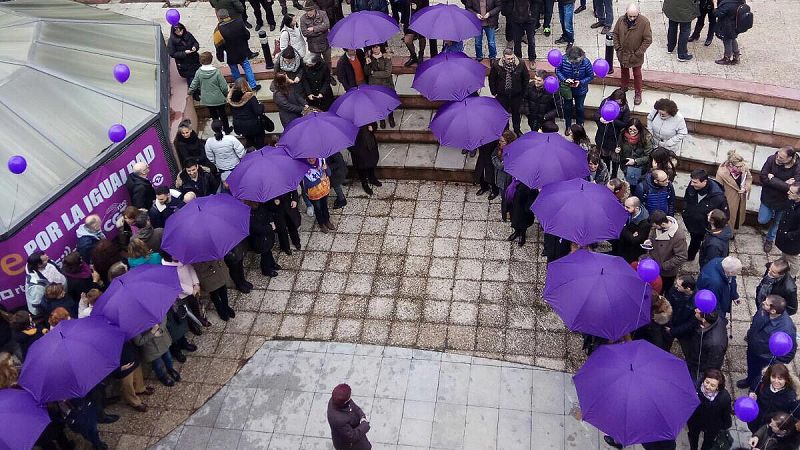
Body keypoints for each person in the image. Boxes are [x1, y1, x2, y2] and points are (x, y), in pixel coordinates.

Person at [738, 294, 797, 391]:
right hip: (754, 349)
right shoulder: (764, 310)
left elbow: (789, 352)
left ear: (773, 311)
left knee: (761, 377)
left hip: (766, 358)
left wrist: (774, 363)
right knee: (752, 368)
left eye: (766, 303)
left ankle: (755, 390)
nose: (762, 303)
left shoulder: (787, 329)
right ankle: (749, 380)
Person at [160, 252, 202, 360]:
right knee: (173, 327)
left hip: (189, 291)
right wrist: (191, 290)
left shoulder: (180, 258)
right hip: (177, 298)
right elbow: (177, 284)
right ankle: (176, 350)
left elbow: (190, 268)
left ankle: (184, 342)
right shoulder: (166, 268)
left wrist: (196, 284)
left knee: (183, 319)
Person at [683, 169, 729, 262]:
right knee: (694, 241)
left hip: (707, 228)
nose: (692, 184)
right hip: (693, 223)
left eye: (695, 182)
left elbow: (725, 216)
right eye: (692, 181)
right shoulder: (692, 186)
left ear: (704, 181)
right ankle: (690, 257)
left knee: (707, 247)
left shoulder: (718, 196)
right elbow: (687, 199)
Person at [760, 147, 800, 253]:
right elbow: (763, 177)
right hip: (768, 197)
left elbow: (795, 187)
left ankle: (769, 239)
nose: (777, 158)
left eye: (781, 157)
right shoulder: (771, 159)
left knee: (777, 222)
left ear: (789, 158)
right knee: (762, 220)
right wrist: (785, 183)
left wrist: (773, 179)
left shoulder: (797, 167)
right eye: (778, 155)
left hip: (785, 200)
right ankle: (771, 219)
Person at [612, 4, 652, 105]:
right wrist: (618, 48)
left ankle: (638, 93)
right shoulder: (621, 20)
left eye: (634, 16)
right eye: (630, 16)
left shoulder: (644, 22)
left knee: (637, 74)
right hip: (623, 53)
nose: (632, 18)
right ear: (627, 13)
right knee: (624, 71)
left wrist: (638, 53)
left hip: (636, 55)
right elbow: (615, 34)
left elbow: (648, 40)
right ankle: (624, 87)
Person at [214, 9, 261, 91]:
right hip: (242, 51)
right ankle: (253, 86)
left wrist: (220, 56)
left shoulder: (218, 30)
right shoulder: (239, 22)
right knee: (247, 68)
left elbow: (218, 46)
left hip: (230, 55)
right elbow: (247, 35)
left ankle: (241, 88)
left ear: (219, 17)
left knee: (234, 70)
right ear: (228, 14)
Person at [746, 363, 799, 434]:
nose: (776, 381)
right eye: (773, 377)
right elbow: (753, 389)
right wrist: (751, 394)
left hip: (773, 426)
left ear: (786, 379)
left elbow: (796, 417)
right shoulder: (762, 382)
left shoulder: (791, 397)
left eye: (780, 378)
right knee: (755, 435)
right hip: (756, 420)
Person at [687, 369, 733, 450]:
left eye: (712, 385)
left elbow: (726, 414)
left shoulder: (724, 398)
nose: (707, 387)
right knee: (693, 437)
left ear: (718, 387)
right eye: (707, 382)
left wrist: (725, 425)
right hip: (695, 420)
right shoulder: (695, 389)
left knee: (708, 442)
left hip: (712, 424)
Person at [488, 49, 529, 137]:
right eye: (508, 59)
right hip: (502, 95)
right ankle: (506, 131)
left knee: (516, 113)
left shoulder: (520, 63)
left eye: (512, 58)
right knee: (503, 114)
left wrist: (523, 92)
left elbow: (526, 78)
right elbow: (492, 79)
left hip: (516, 95)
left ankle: (517, 130)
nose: (510, 60)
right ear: (503, 58)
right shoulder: (496, 65)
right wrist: (494, 92)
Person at [644, 210, 687, 292]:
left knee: (663, 290)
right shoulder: (657, 225)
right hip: (653, 266)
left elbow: (681, 256)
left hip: (666, 273)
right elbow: (652, 234)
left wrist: (663, 266)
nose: (654, 228)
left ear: (663, 224)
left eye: (655, 226)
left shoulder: (678, 236)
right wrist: (649, 240)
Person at [189, 53, 231, 135]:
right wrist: (225, 94)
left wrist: (189, 92)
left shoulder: (198, 72)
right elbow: (224, 87)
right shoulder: (217, 72)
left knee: (213, 115)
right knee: (223, 115)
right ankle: (226, 130)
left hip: (207, 99)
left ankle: (217, 131)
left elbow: (194, 84)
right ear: (211, 60)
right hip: (218, 98)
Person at [681, 309, 728, 382]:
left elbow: (713, 365)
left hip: (700, 368)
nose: (695, 310)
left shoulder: (714, 344)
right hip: (695, 357)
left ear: (704, 320)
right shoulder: (716, 319)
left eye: (698, 311)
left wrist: (706, 377)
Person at [555, 46, 594, 133]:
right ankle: (568, 125)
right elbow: (558, 70)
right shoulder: (563, 59)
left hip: (580, 89)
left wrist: (580, 82)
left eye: (577, 61)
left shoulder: (586, 62)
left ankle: (579, 125)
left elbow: (590, 76)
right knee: (567, 107)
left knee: (579, 107)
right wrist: (565, 79)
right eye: (572, 61)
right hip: (567, 88)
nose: (574, 63)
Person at [594, 88, 631, 178]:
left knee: (615, 159)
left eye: (619, 102)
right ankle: (606, 172)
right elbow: (596, 114)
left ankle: (614, 175)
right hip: (603, 135)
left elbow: (625, 123)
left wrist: (613, 120)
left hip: (616, 138)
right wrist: (600, 119)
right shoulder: (605, 102)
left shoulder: (625, 108)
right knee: (604, 156)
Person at [133, 319, 180, 386]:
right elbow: (138, 341)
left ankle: (170, 369)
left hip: (162, 340)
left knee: (168, 357)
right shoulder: (132, 323)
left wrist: (160, 328)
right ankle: (162, 376)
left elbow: (164, 316)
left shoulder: (151, 309)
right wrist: (152, 333)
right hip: (150, 347)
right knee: (158, 364)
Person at [715, 149, 752, 235]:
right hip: (729, 200)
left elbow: (749, 178)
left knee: (738, 216)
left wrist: (746, 188)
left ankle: (732, 231)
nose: (741, 168)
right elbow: (718, 189)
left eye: (741, 166)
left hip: (740, 199)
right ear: (731, 165)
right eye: (738, 167)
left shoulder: (744, 167)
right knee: (729, 217)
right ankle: (728, 234)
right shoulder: (721, 173)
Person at [327, 384, 371, 450]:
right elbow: (352, 437)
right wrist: (364, 424)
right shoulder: (338, 420)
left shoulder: (337, 400)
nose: (351, 397)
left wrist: (362, 416)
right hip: (349, 445)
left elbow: (353, 406)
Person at [113, 341, 154, 412]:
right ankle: (134, 402)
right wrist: (118, 369)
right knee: (127, 384)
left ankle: (139, 389)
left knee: (138, 375)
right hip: (122, 365)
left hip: (131, 355)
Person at [206, 119, 246, 189]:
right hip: (235, 164)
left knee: (227, 185)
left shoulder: (209, 142)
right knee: (238, 183)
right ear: (222, 127)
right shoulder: (231, 138)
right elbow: (241, 152)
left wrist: (216, 162)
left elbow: (210, 157)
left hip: (221, 167)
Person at [25, 251, 66, 318]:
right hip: (54, 308)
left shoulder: (48, 263)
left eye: (46, 256)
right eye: (45, 260)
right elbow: (38, 305)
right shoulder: (36, 285)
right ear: (39, 265)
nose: (48, 258)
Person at [227, 79, 266, 149]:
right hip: (253, 125)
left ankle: (251, 152)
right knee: (260, 141)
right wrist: (261, 105)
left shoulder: (231, 98)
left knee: (249, 140)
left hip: (239, 125)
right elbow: (258, 111)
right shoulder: (250, 98)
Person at [364, 44, 396, 128]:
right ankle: (382, 119)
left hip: (386, 84)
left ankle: (391, 117)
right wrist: (367, 64)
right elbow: (367, 72)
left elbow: (387, 73)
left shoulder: (386, 57)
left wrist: (373, 73)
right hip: (375, 86)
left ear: (380, 48)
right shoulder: (369, 58)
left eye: (377, 47)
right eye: (373, 47)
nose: (375, 48)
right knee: (378, 103)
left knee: (389, 103)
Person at [246, 200, 281, 277]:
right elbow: (255, 228)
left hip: (266, 234)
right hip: (258, 238)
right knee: (264, 253)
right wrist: (269, 227)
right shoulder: (248, 213)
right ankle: (266, 270)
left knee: (268, 251)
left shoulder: (260, 204)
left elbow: (267, 213)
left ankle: (272, 263)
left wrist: (271, 221)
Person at [615, 117, 652, 186]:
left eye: (635, 130)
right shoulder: (623, 134)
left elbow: (648, 156)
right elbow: (620, 147)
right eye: (630, 129)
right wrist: (618, 150)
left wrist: (635, 161)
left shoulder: (646, 138)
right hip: (625, 165)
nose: (632, 132)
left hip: (639, 167)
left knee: (635, 185)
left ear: (639, 129)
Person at [303, 158, 337, 231]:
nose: (311, 160)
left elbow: (329, 173)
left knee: (324, 206)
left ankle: (327, 221)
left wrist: (326, 168)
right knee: (318, 209)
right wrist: (320, 180)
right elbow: (308, 185)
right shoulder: (305, 169)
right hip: (315, 195)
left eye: (312, 157)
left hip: (324, 191)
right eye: (309, 158)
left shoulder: (321, 162)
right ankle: (321, 224)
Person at [613, 196, 650, 263]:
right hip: (622, 248)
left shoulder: (644, 223)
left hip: (632, 254)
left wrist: (623, 227)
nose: (625, 208)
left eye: (628, 207)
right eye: (625, 206)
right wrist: (631, 234)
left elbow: (634, 240)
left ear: (637, 208)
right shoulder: (628, 213)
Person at [349, 124, 382, 195]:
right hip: (358, 151)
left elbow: (375, 124)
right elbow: (346, 140)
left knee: (371, 164)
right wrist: (356, 150)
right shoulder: (347, 122)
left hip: (370, 146)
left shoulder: (366, 116)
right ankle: (364, 184)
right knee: (361, 168)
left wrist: (372, 128)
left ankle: (372, 179)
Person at [300, 1, 332, 72]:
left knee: (328, 62)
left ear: (315, 9)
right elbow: (305, 33)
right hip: (313, 46)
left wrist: (313, 29)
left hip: (325, 43)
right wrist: (320, 31)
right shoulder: (303, 19)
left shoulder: (322, 14)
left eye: (311, 10)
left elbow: (327, 25)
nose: (309, 12)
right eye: (307, 11)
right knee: (316, 63)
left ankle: (330, 75)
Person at [403, 0, 437, 67]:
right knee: (407, 41)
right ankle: (413, 56)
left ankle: (421, 55)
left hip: (421, 18)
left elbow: (425, 6)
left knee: (421, 38)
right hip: (410, 20)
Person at [777, 183, 800, 277]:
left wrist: (788, 235)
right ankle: (782, 270)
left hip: (793, 240)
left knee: (793, 260)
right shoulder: (791, 201)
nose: (788, 192)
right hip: (785, 237)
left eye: (791, 192)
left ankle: (790, 278)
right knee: (784, 255)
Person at [167, 23, 201, 87]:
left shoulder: (188, 35)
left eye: (181, 30)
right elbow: (172, 53)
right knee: (191, 79)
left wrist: (195, 47)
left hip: (194, 59)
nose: (180, 33)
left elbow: (195, 43)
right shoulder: (171, 41)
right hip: (184, 63)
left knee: (198, 74)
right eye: (177, 32)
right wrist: (184, 53)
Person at [493, 135, 515, 221]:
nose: (500, 142)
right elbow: (498, 164)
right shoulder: (497, 150)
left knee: (511, 198)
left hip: (511, 181)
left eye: (502, 141)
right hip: (502, 180)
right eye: (500, 140)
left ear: (508, 142)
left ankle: (511, 213)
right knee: (504, 198)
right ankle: (505, 214)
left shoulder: (513, 152)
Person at [713, 0, 743, 65]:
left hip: (727, 26)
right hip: (735, 25)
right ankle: (736, 57)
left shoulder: (727, 4)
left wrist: (715, 10)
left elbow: (718, 14)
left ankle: (727, 58)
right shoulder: (740, 2)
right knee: (733, 39)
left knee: (727, 41)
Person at [508, 181, 537, 246]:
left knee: (523, 223)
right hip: (514, 204)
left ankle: (522, 235)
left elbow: (532, 197)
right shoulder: (514, 178)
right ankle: (517, 232)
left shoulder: (531, 182)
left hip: (523, 207)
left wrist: (527, 208)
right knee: (514, 219)